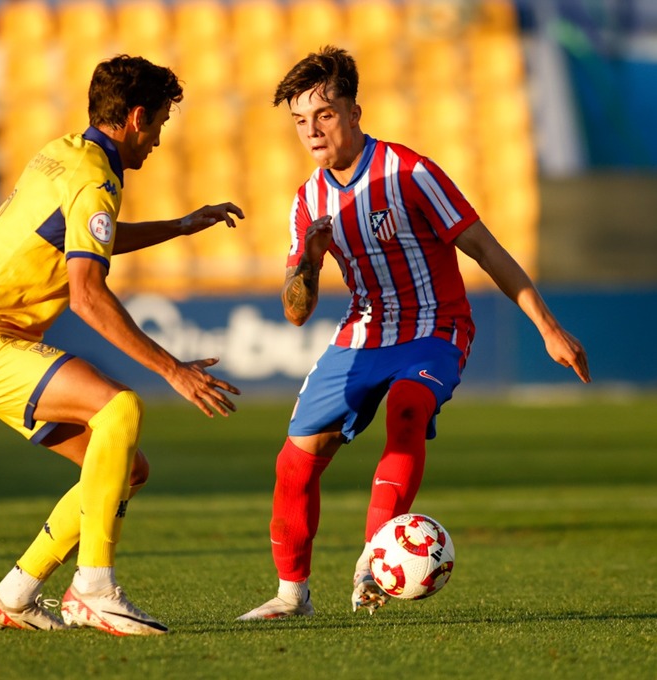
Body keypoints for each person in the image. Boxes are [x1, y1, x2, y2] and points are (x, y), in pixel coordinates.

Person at [237, 46, 590, 621]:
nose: (312, 131)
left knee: (406, 410)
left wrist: (548, 327)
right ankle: (290, 596)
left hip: (437, 326)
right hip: (364, 333)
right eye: (300, 121)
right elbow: (296, 311)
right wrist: (310, 259)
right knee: (294, 464)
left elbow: (484, 247)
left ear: (354, 112)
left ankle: (374, 565)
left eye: (324, 115)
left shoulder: (409, 172)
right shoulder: (308, 201)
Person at [0, 54, 244, 637]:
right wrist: (172, 370)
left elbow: (84, 237)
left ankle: (14, 594)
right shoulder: (95, 175)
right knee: (120, 408)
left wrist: (177, 227)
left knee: (123, 468)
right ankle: (93, 587)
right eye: (159, 125)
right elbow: (87, 295)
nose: (156, 141)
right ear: (136, 118)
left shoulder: (68, 151)